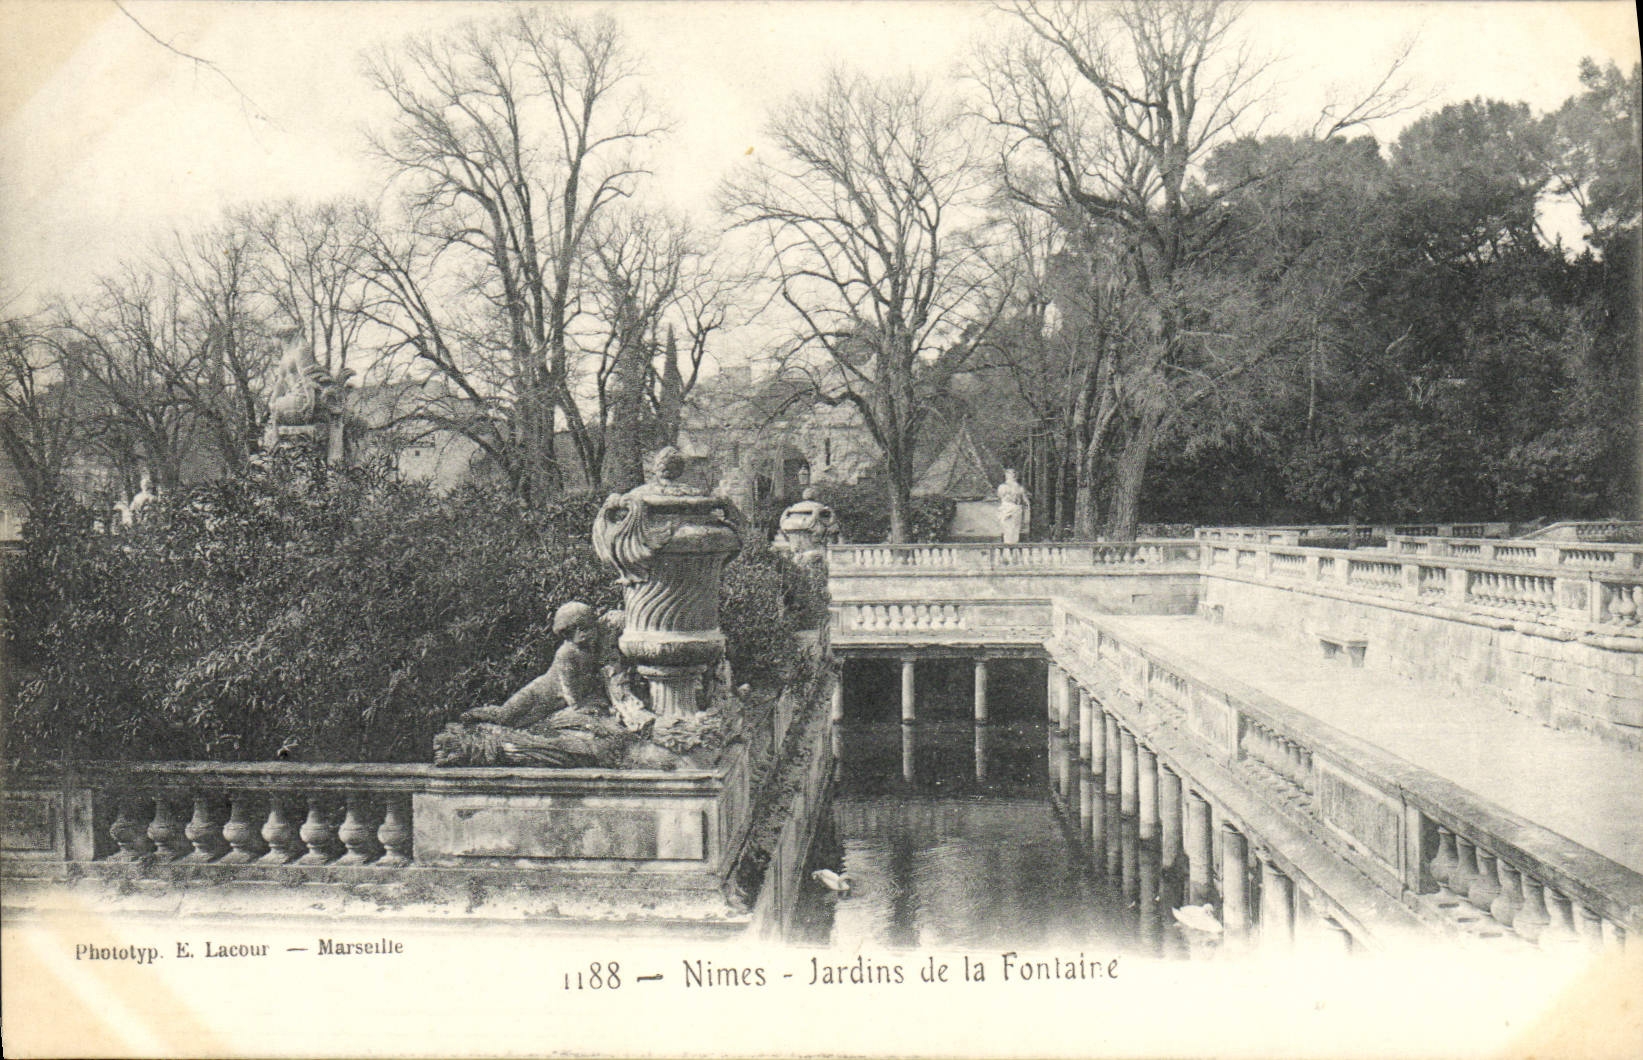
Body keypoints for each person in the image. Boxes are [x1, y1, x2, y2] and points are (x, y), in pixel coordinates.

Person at [996, 468, 1030, 544]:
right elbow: (1001, 497)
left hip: (1017, 509)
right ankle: (1007, 547)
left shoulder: (1019, 487)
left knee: (1015, 530)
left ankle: (1014, 548)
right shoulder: (1003, 487)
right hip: (1007, 508)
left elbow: (1024, 499)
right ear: (1006, 476)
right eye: (1010, 474)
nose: (1013, 475)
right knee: (1008, 529)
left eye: (1014, 474)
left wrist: (1027, 505)